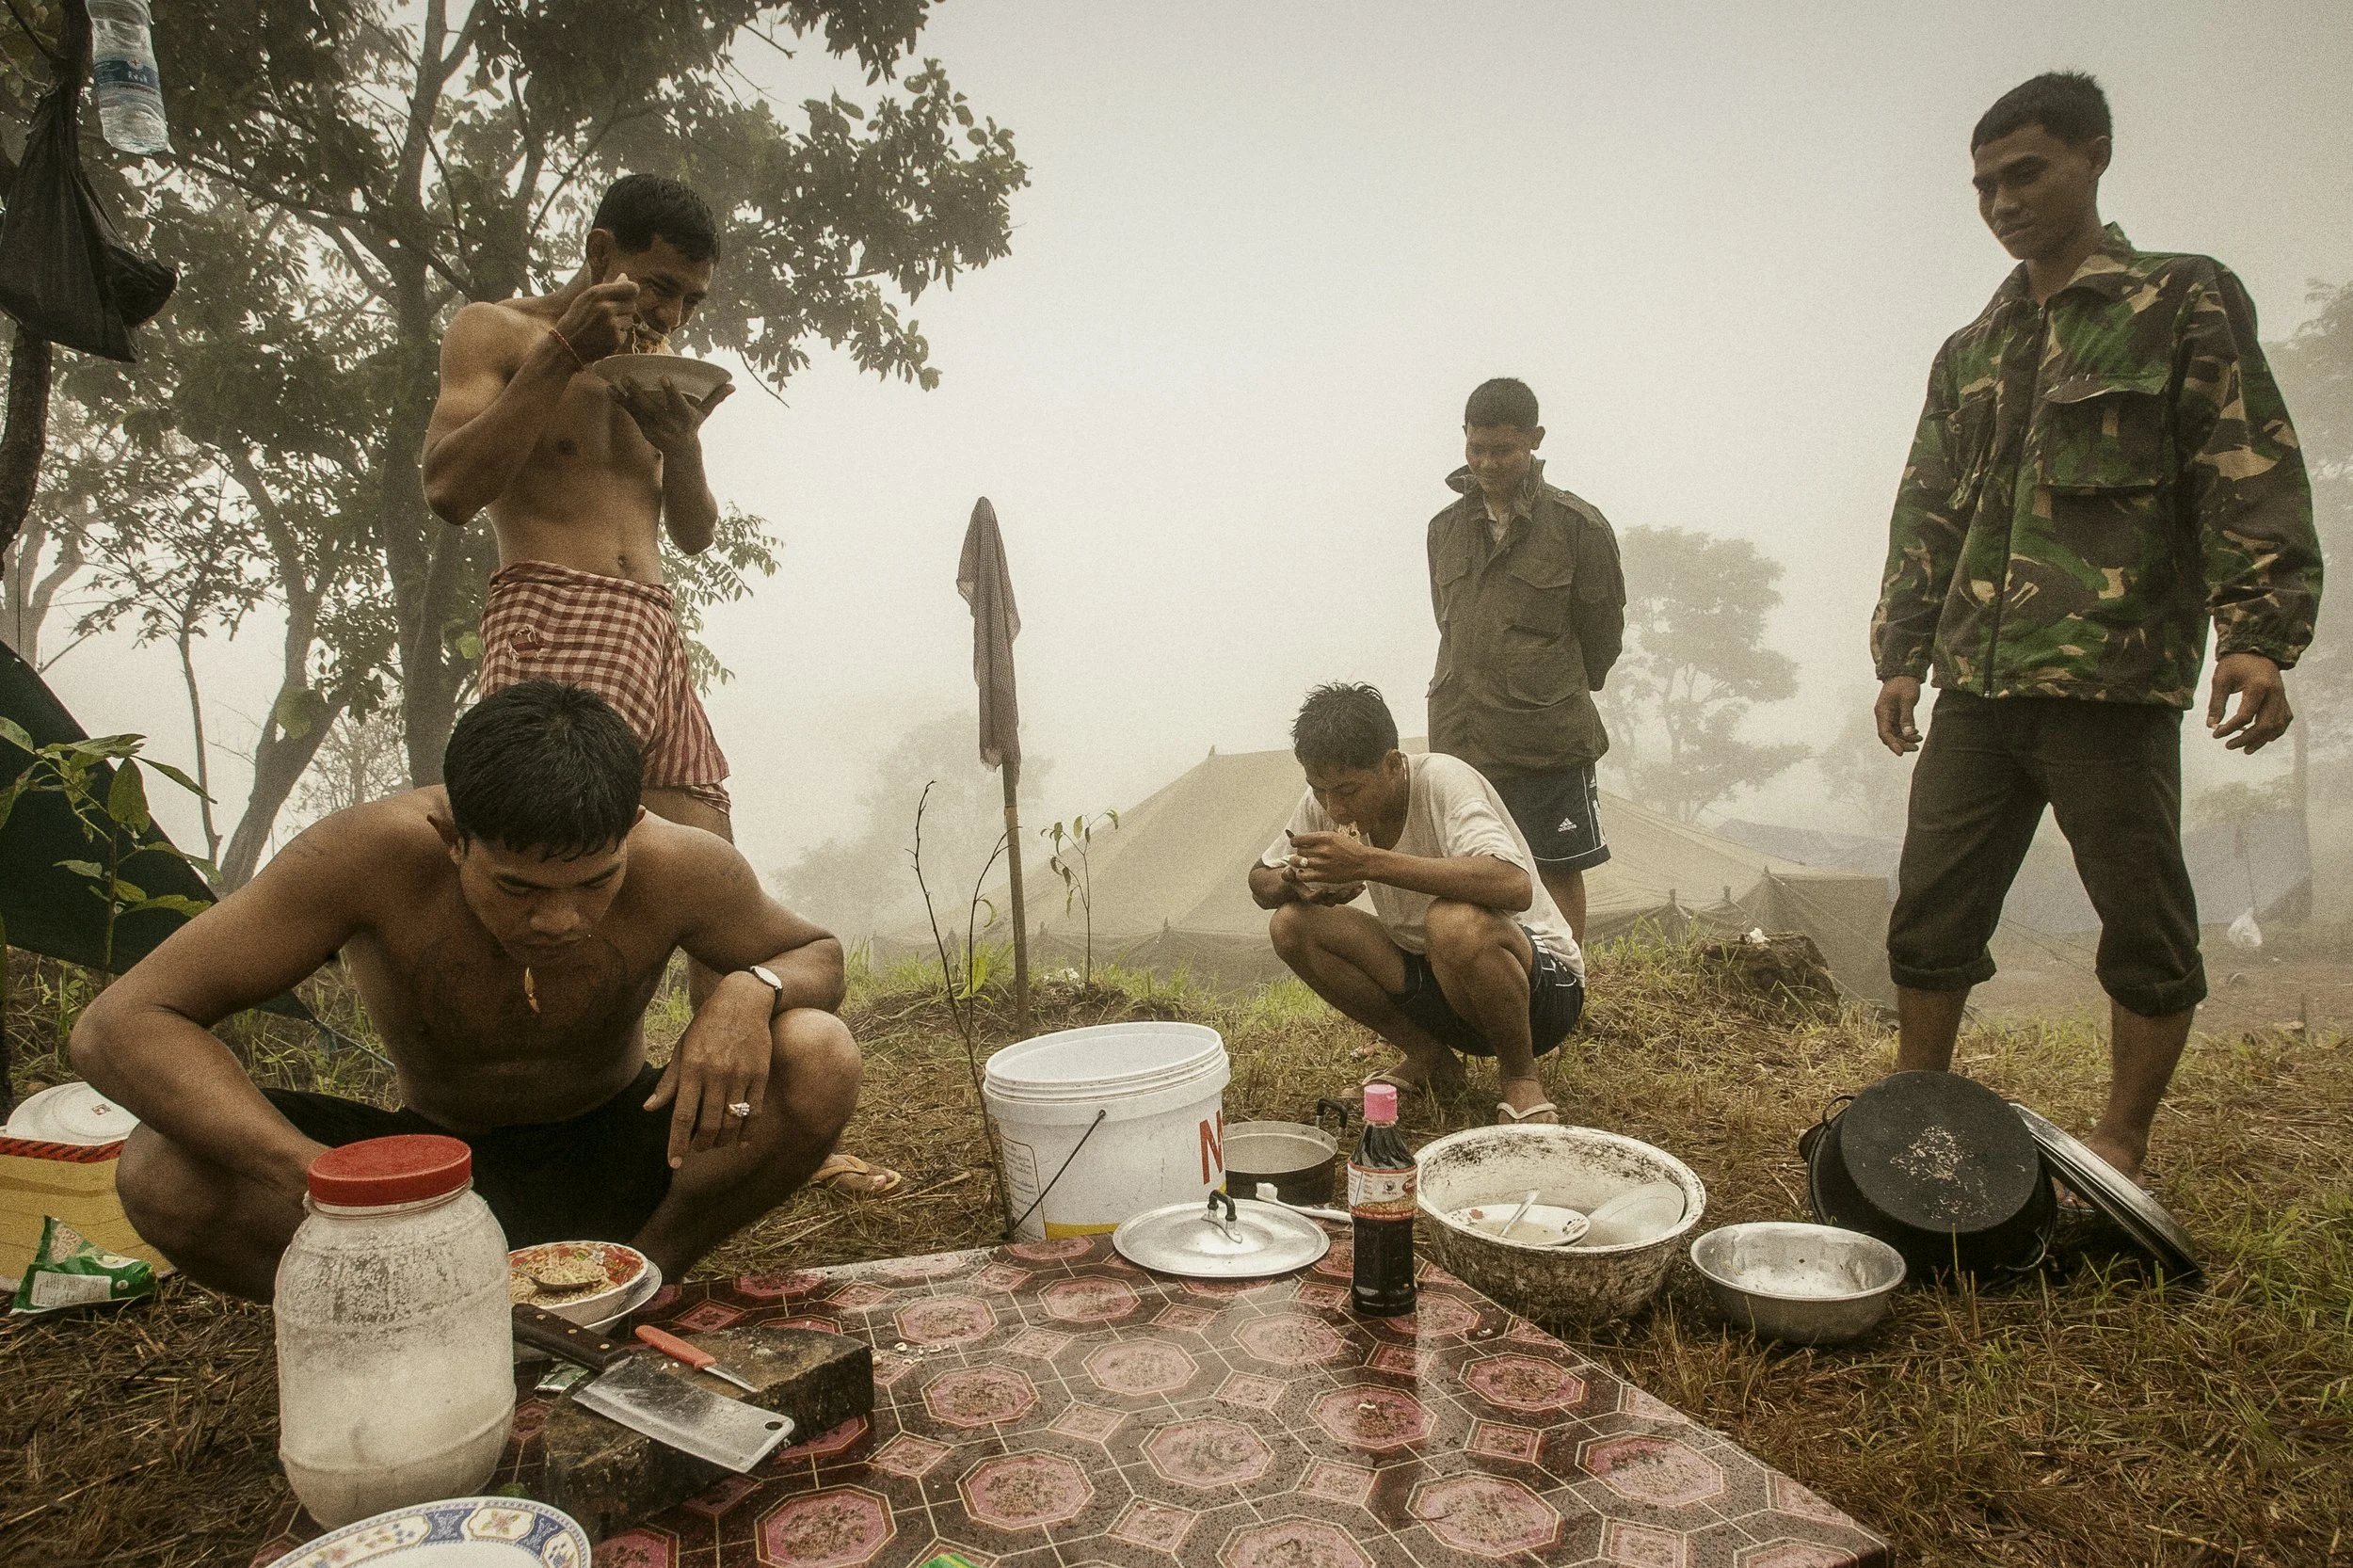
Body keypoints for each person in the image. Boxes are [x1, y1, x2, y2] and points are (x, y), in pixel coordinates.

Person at [1869, 72, 2321, 1184]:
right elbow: (1929, 502)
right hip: (1976, 686)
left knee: (2143, 922)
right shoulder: (1971, 347)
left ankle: (2120, 1142)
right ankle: (1909, 1112)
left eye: (2026, 172)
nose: (2002, 201)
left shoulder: (2179, 300)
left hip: (2109, 678)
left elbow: (2243, 462)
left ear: (2094, 156)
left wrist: (2257, 632)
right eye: (1983, 185)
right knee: (1928, 915)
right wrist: (1900, 653)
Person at [72, 683, 865, 1301]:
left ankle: (648, 1279)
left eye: (595, 884)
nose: (559, 920)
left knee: (818, 1051)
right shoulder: (364, 857)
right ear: (452, 839)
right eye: (517, 887)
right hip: (428, 1178)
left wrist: (750, 989)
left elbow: (814, 953)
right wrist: (317, 1177)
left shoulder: (682, 863)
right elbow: (120, 1024)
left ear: (631, 829)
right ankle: (405, 1314)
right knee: (162, 1167)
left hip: (628, 1150)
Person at [421, 172, 894, 1195]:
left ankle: (728, 1107)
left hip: (653, 626)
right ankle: (514, 1122)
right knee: (559, 858)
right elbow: (450, 488)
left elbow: (691, 531)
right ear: (600, 253)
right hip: (552, 609)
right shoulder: (496, 333)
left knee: (705, 861)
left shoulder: (658, 371)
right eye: (657, 284)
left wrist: (682, 444)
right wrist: (558, 358)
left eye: (689, 299)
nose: (670, 312)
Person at [1249, 682, 1586, 1126]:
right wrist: (1296, 881)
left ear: (1391, 765)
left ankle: (1520, 1079)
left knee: (1452, 920)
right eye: (1319, 789)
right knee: (1291, 924)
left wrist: (1369, 862)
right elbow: (1260, 879)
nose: (1334, 807)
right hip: (1438, 985)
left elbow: (1513, 884)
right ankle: (1432, 1059)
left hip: (1538, 992)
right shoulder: (1329, 797)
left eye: (1349, 791)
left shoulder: (1443, 779)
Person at [1426, 377, 1625, 944]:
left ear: (1534, 439)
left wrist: (1545, 683)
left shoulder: (1578, 526)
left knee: (1557, 865)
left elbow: (1602, 634)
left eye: (1504, 450)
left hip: (1548, 733)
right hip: (1463, 734)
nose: (1488, 463)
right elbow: (1449, 622)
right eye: (1477, 448)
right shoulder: (1442, 530)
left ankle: (1562, 992)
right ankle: (1492, 987)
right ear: (1464, 438)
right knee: (1468, 868)